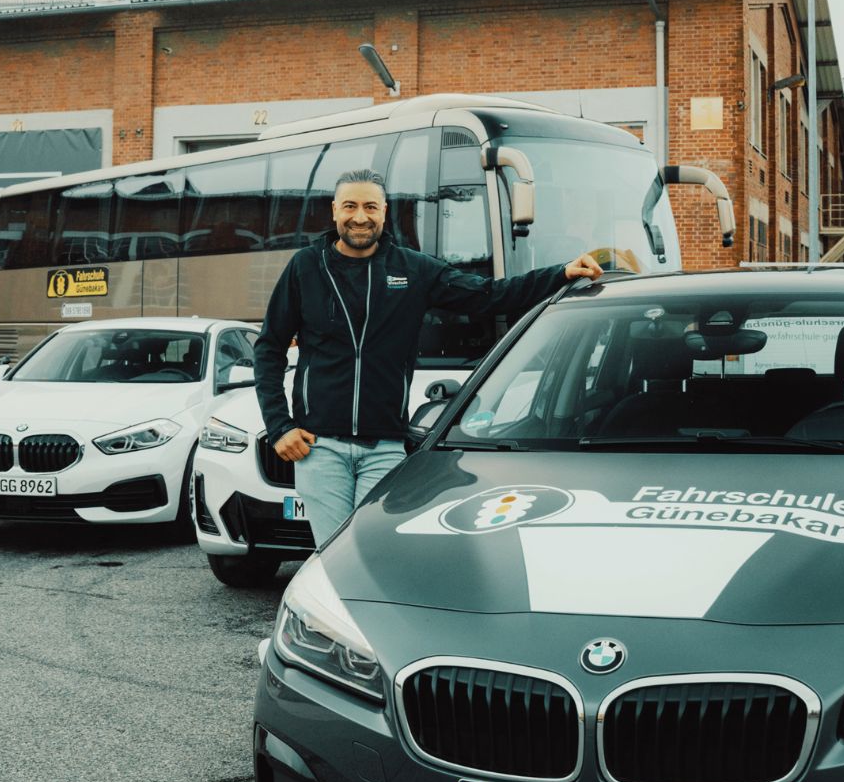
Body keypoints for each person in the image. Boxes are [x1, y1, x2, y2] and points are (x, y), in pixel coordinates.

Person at [253, 169, 602, 544]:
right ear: (334, 211)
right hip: (319, 448)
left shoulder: (413, 269)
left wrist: (561, 273)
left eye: (370, 206)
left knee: (373, 551)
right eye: (350, 206)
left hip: (384, 449)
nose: (360, 216)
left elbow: (489, 295)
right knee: (333, 553)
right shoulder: (305, 267)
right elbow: (269, 347)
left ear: (384, 212)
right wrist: (279, 426)